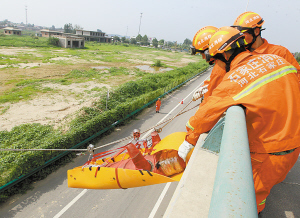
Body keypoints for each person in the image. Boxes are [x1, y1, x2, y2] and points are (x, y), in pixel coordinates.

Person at [178, 26, 300, 213]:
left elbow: (206, 114)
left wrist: (189, 140)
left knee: (248, 203)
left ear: (226, 55)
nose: (215, 66)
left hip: (268, 153)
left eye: (214, 61)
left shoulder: (236, 78)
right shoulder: (277, 60)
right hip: (293, 146)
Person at [232, 11, 300, 83]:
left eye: (242, 33)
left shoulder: (280, 53)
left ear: (256, 32)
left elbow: (297, 78)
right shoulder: (239, 56)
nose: (239, 38)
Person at [190, 26, 227, 104]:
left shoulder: (220, 67)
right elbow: (213, 80)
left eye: (202, 54)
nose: (203, 58)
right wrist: (205, 86)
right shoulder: (224, 62)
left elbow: (209, 100)